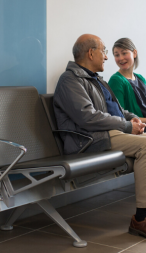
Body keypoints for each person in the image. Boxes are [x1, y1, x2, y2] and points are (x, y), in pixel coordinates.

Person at [53, 34, 146, 237]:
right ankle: (141, 219)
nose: (106, 57)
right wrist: (127, 126)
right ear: (91, 52)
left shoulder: (97, 80)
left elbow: (119, 111)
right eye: (104, 51)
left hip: (108, 133)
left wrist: (134, 121)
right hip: (88, 140)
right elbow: (88, 118)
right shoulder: (70, 79)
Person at [108, 38, 146, 124]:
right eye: (116, 55)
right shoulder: (116, 80)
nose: (121, 58)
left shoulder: (140, 78)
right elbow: (120, 116)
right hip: (138, 131)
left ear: (134, 53)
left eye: (124, 53)